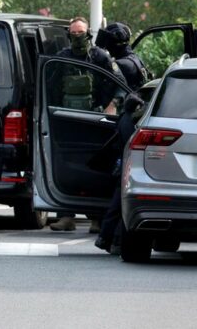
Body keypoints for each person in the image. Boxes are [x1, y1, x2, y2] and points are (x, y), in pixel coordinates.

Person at [50, 16, 126, 233]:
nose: (77, 36)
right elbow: (49, 85)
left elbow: (121, 85)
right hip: (67, 121)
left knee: (95, 169)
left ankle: (96, 218)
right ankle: (65, 216)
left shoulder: (100, 57)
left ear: (89, 33)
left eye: (80, 32)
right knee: (66, 168)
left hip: (95, 122)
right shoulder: (61, 58)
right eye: (73, 33)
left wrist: (112, 106)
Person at [93, 22, 151, 253]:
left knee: (123, 181)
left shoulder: (121, 66)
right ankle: (112, 236)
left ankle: (110, 236)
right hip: (135, 120)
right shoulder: (135, 60)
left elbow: (107, 94)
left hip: (128, 122)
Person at [95, 22, 151, 91]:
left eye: (108, 44)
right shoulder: (135, 59)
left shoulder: (120, 65)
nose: (107, 48)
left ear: (112, 44)